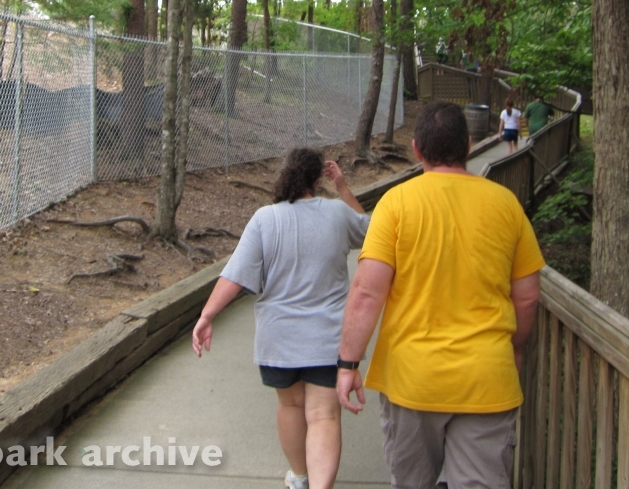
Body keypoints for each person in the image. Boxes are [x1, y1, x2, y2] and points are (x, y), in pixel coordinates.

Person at [336, 101, 543, 489]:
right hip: (487, 377)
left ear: (415, 149)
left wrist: (348, 364)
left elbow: (366, 291)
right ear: (468, 145)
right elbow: (528, 296)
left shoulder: (396, 203)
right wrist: (515, 348)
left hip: (412, 379)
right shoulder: (506, 205)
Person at [192, 148, 369, 489]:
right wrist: (343, 190)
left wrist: (207, 315)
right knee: (323, 415)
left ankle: (299, 478)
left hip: (278, 340)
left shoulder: (265, 219)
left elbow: (236, 275)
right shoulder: (336, 214)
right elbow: (370, 231)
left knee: (290, 407)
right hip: (326, 339)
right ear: (317, 179)